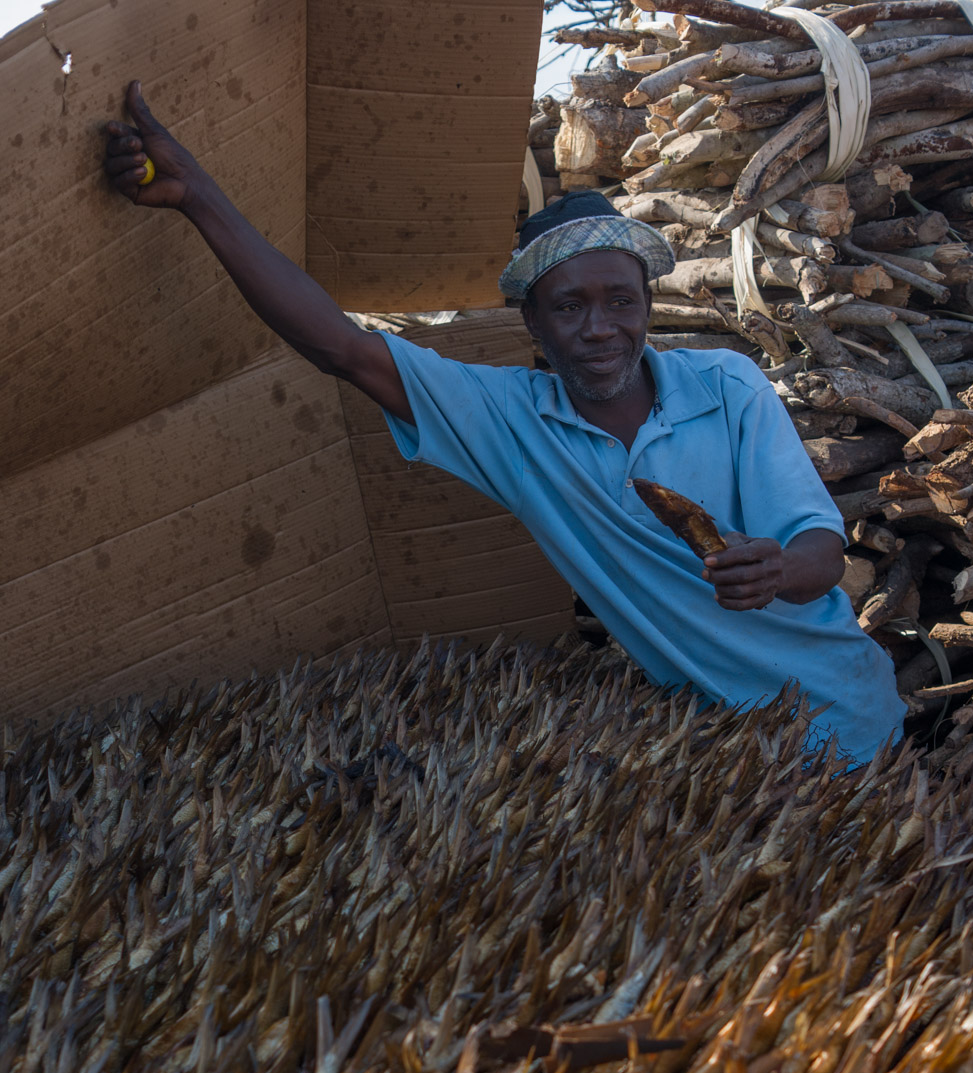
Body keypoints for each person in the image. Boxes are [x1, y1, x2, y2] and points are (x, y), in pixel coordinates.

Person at [104, 83, 906, 765]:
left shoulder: (725, 386)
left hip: (850, 721)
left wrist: (776, 572)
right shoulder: (509, 421)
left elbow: (817, 546)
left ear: (644, 309)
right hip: (726, 751)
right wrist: (197, 200)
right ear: (534, 327)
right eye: (569, 307)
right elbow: (342, 348)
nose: (599, 328)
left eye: (620, 302)